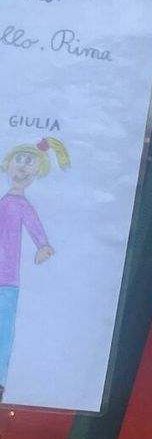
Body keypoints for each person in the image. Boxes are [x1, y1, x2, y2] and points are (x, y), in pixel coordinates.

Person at [0, 137, 69, 402]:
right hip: (6, 279)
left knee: (4, 331)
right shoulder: (6, 200)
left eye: (29, 163)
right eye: (19, 160)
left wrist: (43, 246)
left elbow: (33, 224)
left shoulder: (19, 203)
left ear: (37, 171)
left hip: (7, 280)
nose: (22, 166)